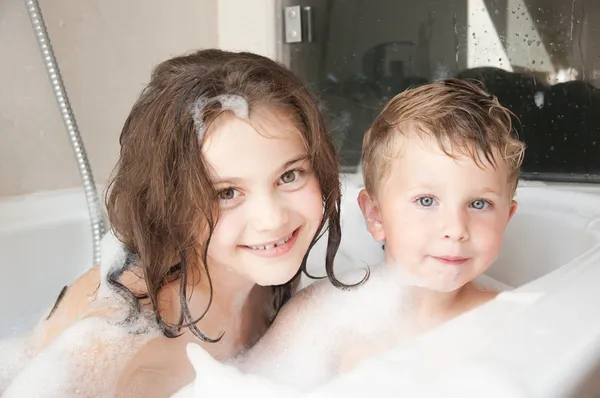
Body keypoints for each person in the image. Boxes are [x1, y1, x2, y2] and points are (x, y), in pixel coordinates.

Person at [0, 48, 354, 397]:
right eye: (227, 193)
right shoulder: (123, 340)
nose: (272, 218)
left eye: (290, 175)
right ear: (171, 206)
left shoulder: (262, 274)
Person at [176, 77, 526, 395]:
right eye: (426, 201)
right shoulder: (318, 315)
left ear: (507, 216)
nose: (455, 229)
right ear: (375, 215)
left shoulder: (519, 320)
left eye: (479, 203)